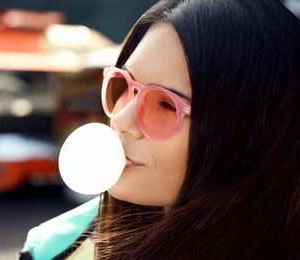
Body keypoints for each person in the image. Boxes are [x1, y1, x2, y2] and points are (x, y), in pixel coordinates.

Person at [19, 0, 300, 259]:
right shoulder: (53, 248)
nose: (122, 119)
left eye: (165, 104)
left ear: (254, 133)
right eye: (124, 85)